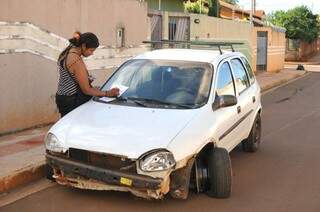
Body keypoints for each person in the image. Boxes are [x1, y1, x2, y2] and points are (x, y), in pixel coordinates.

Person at [55, 32, 119, 117]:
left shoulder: (67, 51)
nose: (91, 53)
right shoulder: (76, 60)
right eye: (91, 50)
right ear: (84, 46)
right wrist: (107, 93)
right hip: (72, 100)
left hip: (62, 96)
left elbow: (70, 76)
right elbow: (86, 90)